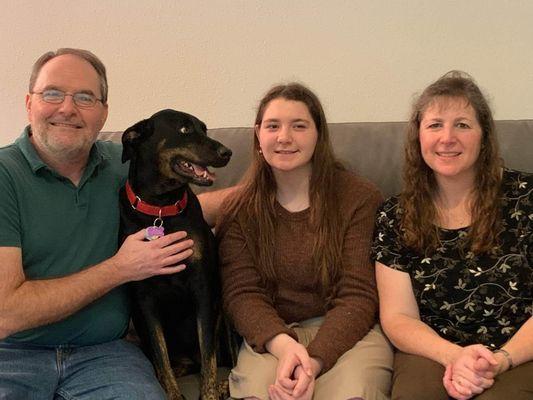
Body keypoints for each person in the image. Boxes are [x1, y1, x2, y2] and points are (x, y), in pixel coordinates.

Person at [0, 48, 195, 399]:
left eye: (85, 97)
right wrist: (120, 268)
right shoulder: (4, 176)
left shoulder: (124, 167)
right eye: (52, 93)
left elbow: (184, 210)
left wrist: (266, 186)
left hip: (107, 354)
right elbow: (6, 313)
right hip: (12, 355)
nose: (67, 108)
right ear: (29, 103)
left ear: (104, 113)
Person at [217, 82, 393, 400]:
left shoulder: (359, 198)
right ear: (258, 136)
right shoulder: (239, 209)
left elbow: (358, 293)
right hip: (271, 335)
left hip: (349, 331)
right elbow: (242, 294)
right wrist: (285, 347)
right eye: (273, 126)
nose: (285, 137)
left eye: (299, 126)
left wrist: (312, 359)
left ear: (318, 135)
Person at [372, 71, 533, 400]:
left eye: (462, 124)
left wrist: (501, 360)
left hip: (518, 351)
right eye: (434, 125)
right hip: (430, 350)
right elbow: (398, 316)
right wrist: (453, 356)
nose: (447, 138)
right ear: (418, 137)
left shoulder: (528, 198)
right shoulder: (395, 215)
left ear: (484, 137)